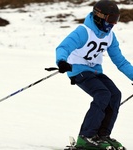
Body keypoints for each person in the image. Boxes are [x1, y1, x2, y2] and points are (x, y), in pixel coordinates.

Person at [55, 0, 131, 150]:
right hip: (77, 70)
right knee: (102, 94)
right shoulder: (83, 31)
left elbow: (120, 61)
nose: (113, 24)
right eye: (110, 20)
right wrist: (62, 61)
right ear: (99, 16)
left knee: (115, 95)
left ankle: (102, 135)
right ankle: (86, 137)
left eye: (116, 20)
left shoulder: (109, 36)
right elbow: (63, 47)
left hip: (95, 71)